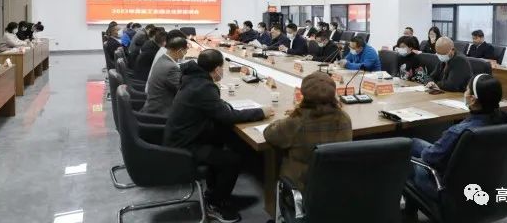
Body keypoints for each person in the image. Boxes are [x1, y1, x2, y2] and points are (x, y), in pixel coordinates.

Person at [164, 49, 273, 222]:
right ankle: (215, 203)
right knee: (232, 160)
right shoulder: (204, 87)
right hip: (185, 145)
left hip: (182, 135)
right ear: (217, 69)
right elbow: (227, 117)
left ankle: (213, 190)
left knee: (223, 137)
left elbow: (216, 109)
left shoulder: (193, 79)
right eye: (222, 67)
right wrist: (261, 112)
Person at [410, 74, 507, 199]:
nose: (464, 93)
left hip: (449, 190)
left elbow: (430, 158)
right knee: (414, 143)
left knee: (406, 153)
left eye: (466, 90)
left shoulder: (459, 132)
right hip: (489, 183)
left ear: (473, 99)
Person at [264, 72, 352, 193]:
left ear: (304, 94)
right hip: (335, 185)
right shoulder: (344, 118)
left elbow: (269, 134)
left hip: (302, 187)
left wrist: (291, 116)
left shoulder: (297, 121)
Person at [142, 34, 188, 115]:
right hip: (161, 111)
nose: (185, 53)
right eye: (185, 51)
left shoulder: (162, 58)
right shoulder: (171, 68)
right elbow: (183, 90)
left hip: (154, 105)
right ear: (180, 50)